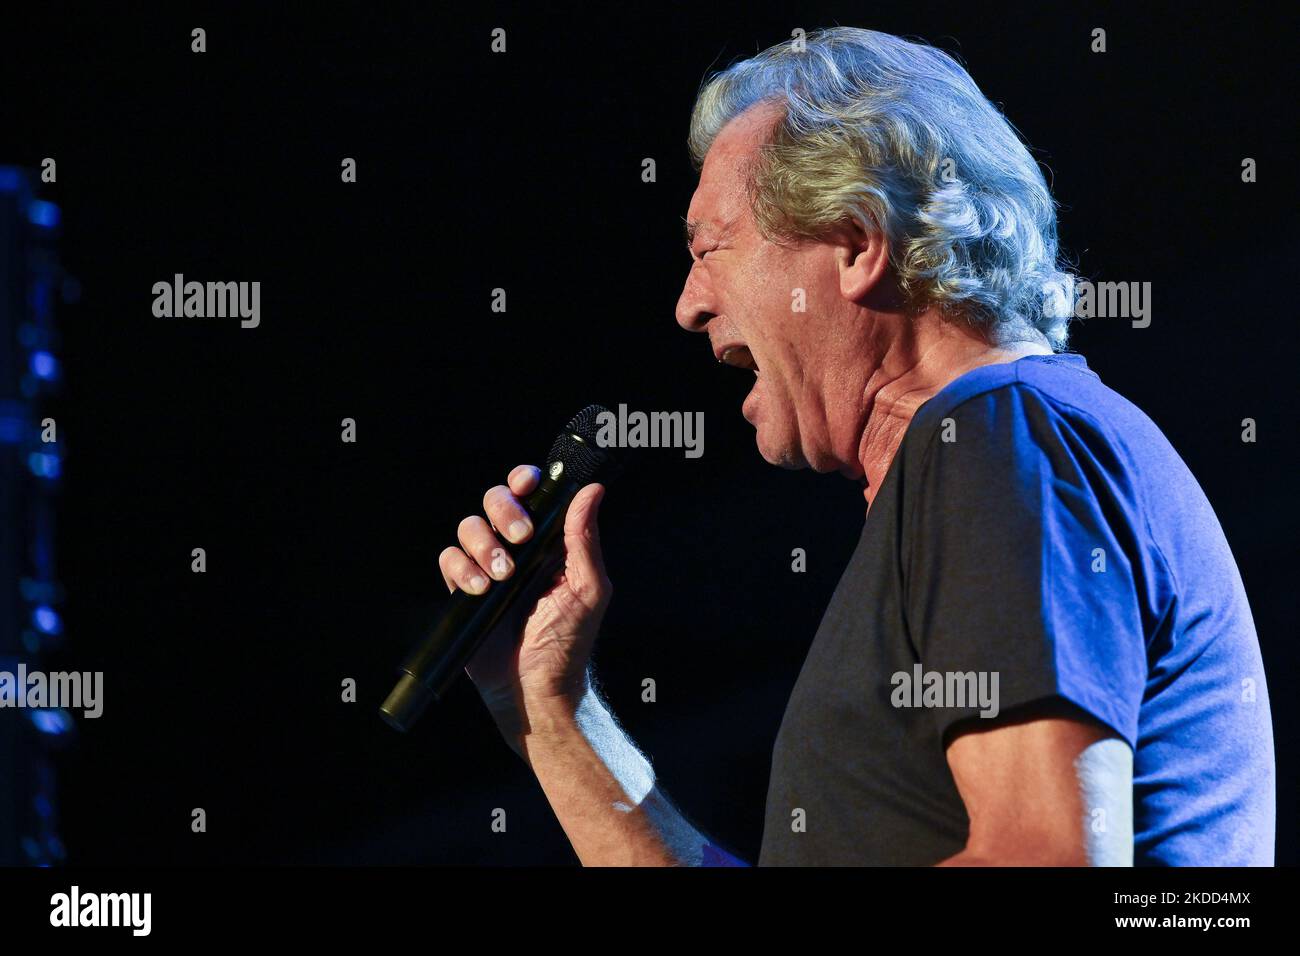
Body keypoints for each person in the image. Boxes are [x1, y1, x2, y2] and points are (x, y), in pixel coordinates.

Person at [437, 28, 1275, 865]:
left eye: (708, 249)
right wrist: (550, 705)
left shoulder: (999, 434)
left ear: (859, 245)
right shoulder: (998, 449)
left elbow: (1045, 856)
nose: (688, 307)